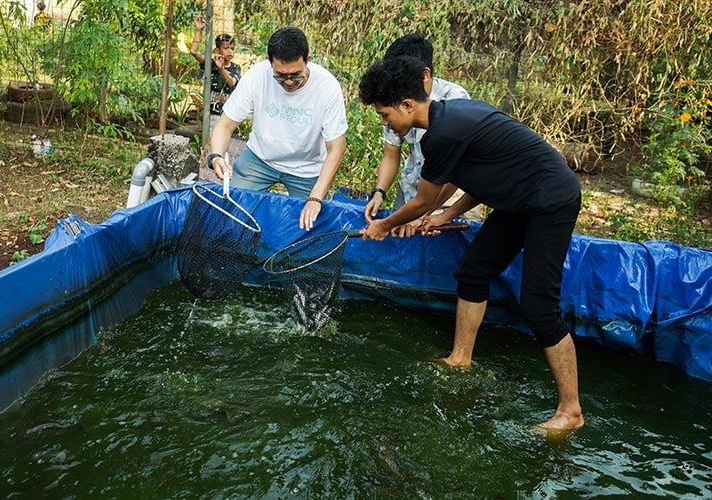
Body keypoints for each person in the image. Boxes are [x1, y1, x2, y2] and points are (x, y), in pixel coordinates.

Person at [358, 55, 584, 432]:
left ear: (407, 106)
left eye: (385, 115)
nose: (386, 123)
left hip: (551, 200)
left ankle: (570, 412)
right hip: (518, 199)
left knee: (539, 305)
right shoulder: (450, 117)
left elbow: (424, 200)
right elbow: (477, 174)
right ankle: (460, 358)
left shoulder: (442, 134)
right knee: (474, 271)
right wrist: (447, 214)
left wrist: (384, 225)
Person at [206, 26, 348, 231]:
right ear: (270, 63)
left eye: (296, 75)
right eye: (280, 76)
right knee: (233, 213)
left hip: (307, 168)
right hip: (259, 159)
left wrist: (315, 198)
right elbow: (225, 125)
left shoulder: (327, 87)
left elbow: (337, 147)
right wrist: (216, 156)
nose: (289, 82)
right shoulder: (257, 76)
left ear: (307, 60)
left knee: (308, 227)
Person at [365, 34, 470, 222]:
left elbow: (455, 173)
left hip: (446, 197)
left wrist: (426, 212)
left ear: (425, 74)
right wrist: (379, 192)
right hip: (412, 188)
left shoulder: (454, 101)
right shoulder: (394, 101)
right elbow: (390, 154)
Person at [190, 16, 242, 129]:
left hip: (227, 114)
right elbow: (193, 52)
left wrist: (222, 68)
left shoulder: (236, 68)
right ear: (218, 50)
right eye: (226, 48)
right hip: (211, 113)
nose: (230, 51)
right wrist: (199, 30)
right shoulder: (211, 64)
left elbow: (231, 82)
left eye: (232, 48)